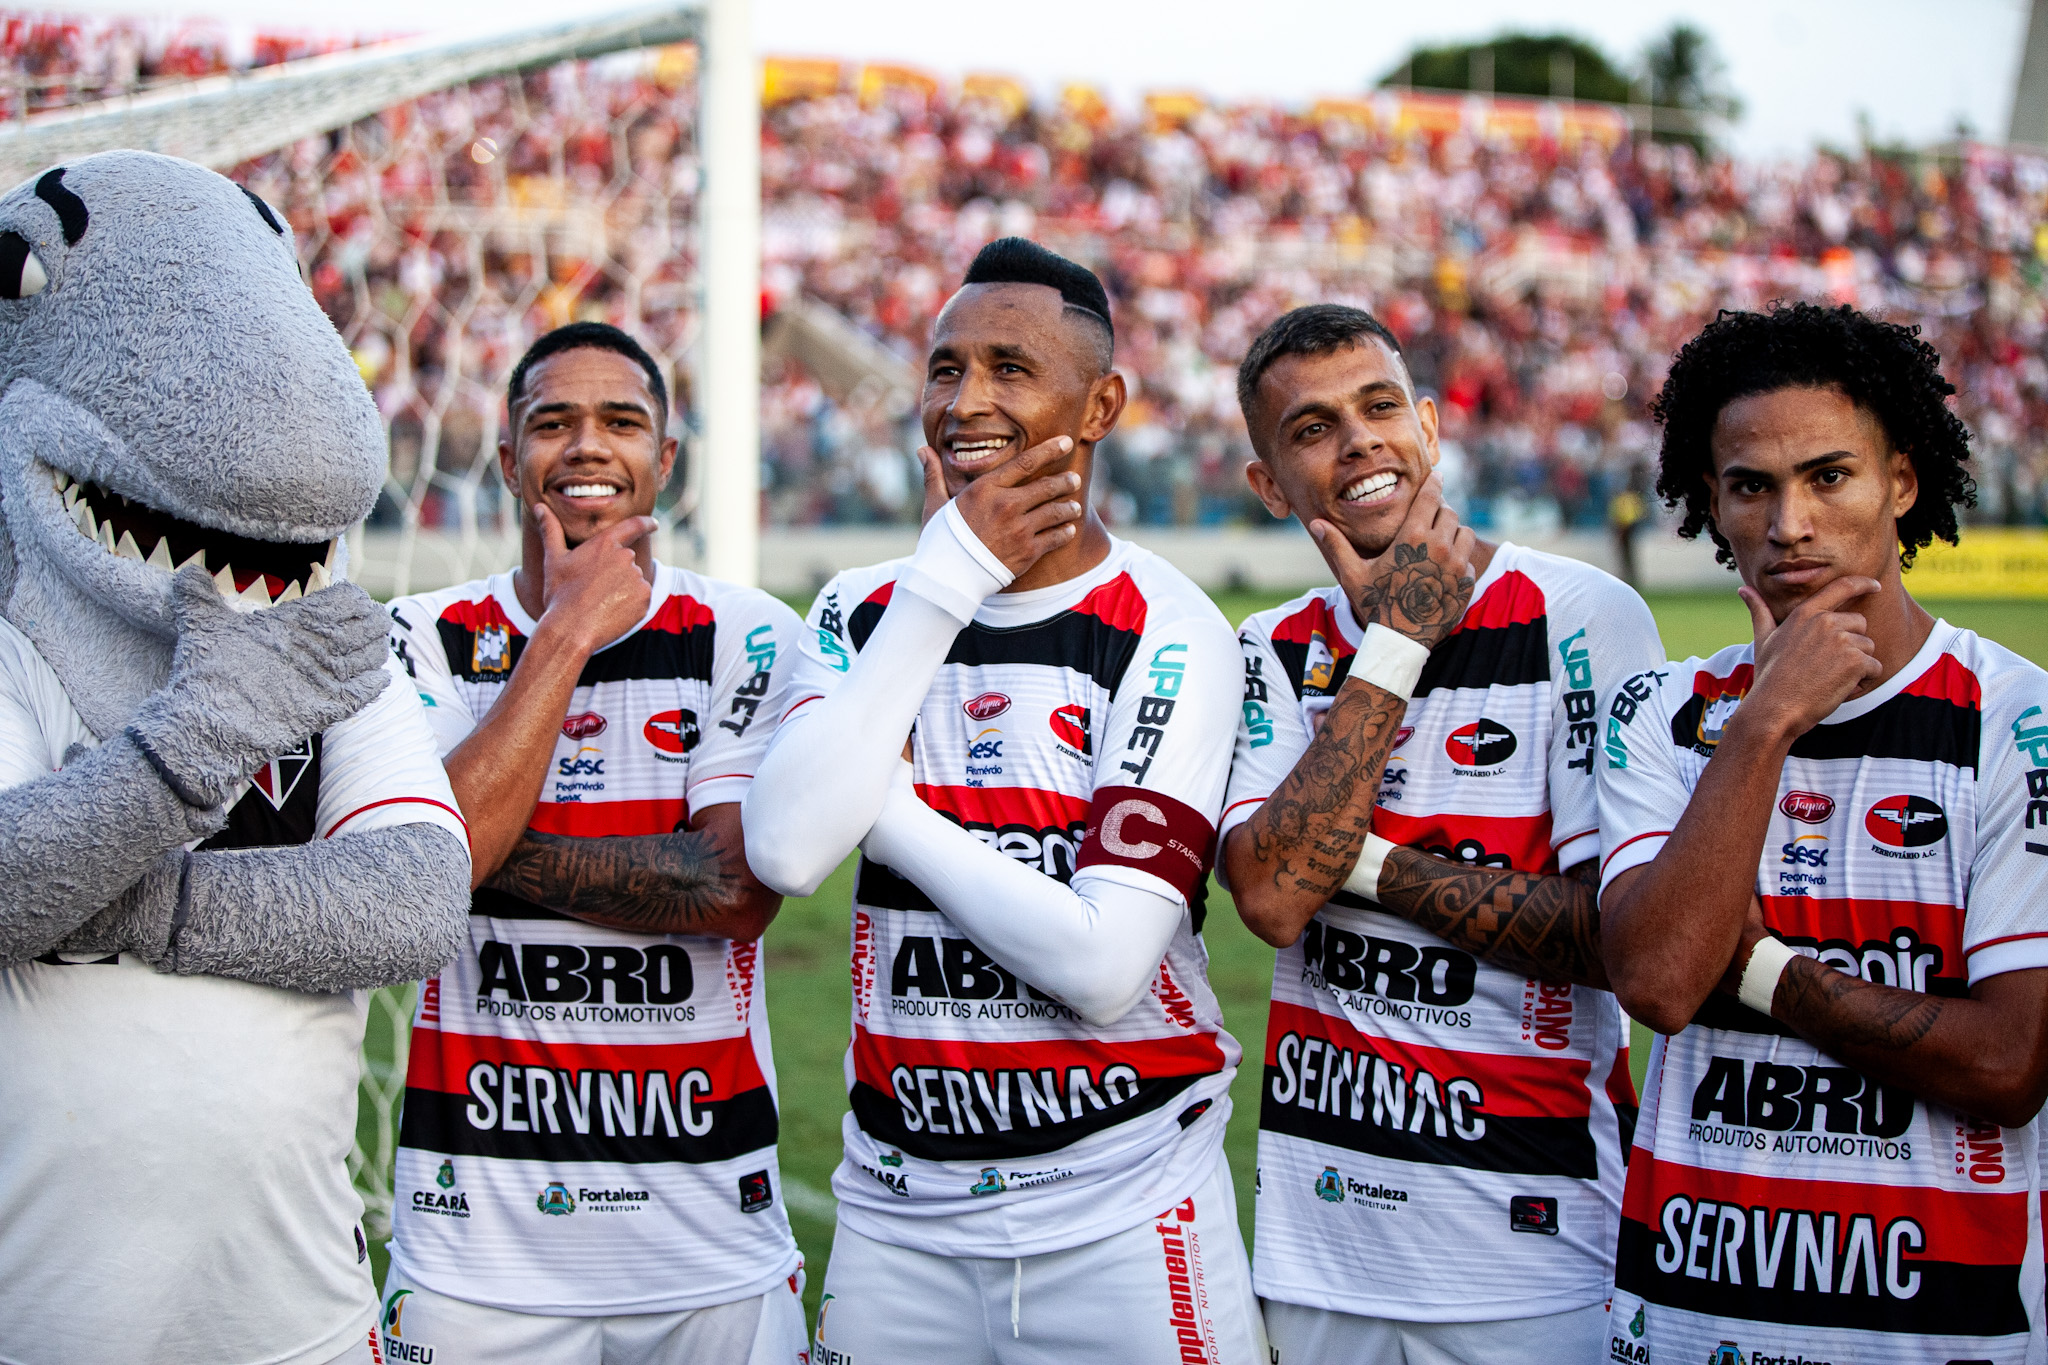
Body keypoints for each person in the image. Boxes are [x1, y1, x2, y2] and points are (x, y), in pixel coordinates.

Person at [744, 238, 1267, 1364]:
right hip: (896, 1209)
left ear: (1101, 404)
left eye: (1008, 369)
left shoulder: (1168, 626)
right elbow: (787, 850)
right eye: (943, 369)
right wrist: (943, 582)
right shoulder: (858, 606)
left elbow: (1100, 964)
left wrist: (877, 806)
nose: (964, 400)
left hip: (1122, 1204)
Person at [1597, 302, 2048, 1364]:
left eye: (1827, 478)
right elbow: (1659, 980)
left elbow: (2006, 1062)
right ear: (1710, 501)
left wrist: (1753, 965)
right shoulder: (1657, 714)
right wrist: (1762, 723)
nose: (1786, 522)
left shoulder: (2014, 725)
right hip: (1690, 1313)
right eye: (1749, 487)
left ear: (1900, 482)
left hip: (1943, 1327)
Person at [1218, 303, 1663, 1362]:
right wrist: (1397, 643)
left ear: (1428, 426)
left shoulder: (1579, 614)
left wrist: (1354, 864)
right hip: (1319, 1253)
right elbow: (1276, 898)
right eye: (1312, 428)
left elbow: (1620, 940)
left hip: (1540, 1251)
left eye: (1379, 409)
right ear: (1269, 485)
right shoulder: (1266, 646)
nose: (1359, 440)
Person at [378, 323, 809, 1363]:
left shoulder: (746, 632)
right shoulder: (416, 636)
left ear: (666, 460)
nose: (585, 447)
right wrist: (565, 634)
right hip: (474, 1254)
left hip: (708, 1243)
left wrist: (462, 849)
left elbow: (730, 892)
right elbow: (429, 868)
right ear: (505, 458)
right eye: (551, 423)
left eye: (621, 422)